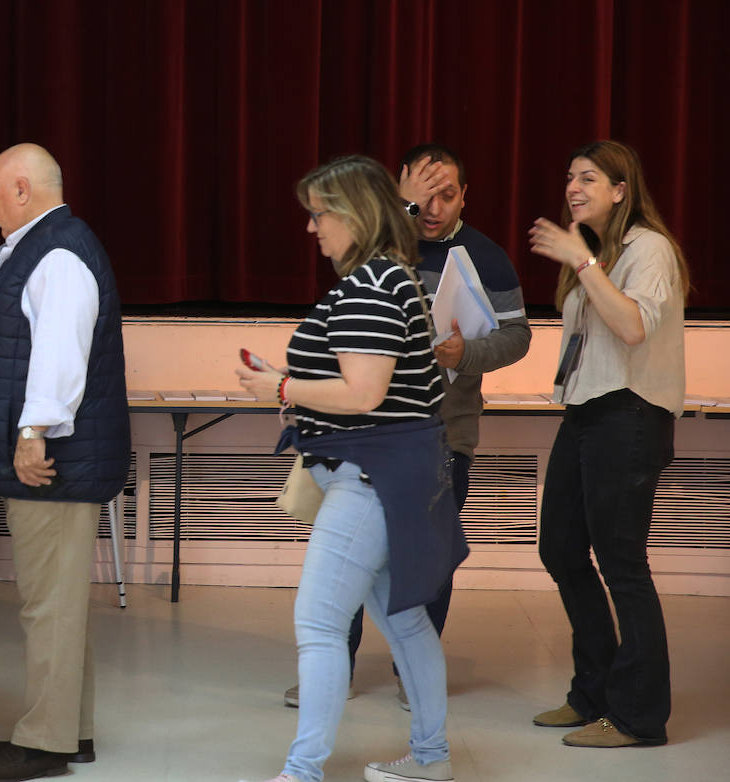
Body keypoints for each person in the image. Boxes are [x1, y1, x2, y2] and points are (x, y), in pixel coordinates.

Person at [237, 155, 466, 782]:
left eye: (319, 214)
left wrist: (282, 387)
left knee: (318, 622)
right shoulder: (392, 276)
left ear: (353, 214)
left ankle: (302, 772)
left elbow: (363, 393)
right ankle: (430, 758)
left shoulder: (369, 284)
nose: (312, 228)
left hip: (371, 476)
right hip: (393, 473)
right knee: (404, 618)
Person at [284, 144, 532, 711]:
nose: (435, 207)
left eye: (448, 195)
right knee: (346, 557)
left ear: (466, 196)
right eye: (423, 194)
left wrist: (466, 351)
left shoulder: (485, 256)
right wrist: (406, 210)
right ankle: (335, 667)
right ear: (398, 190)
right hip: (365, 434)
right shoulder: (383, 247)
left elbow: (516, 337)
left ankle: (409, 675)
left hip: (446, 430)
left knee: (427, 559)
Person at [0, 143, 129, 782]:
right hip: (54, 455)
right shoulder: (48, 246)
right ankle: (66, 729)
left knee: (47, 605)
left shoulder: (56, 252)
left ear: (23, 189)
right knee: (57, 603)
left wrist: (32, 434)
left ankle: (46, 742)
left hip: (53, 461)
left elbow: (58, 356)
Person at [527, 140, 686, 748]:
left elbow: (632, 326)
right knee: (561, 549)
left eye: (589, 178)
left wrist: (583, 263)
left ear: (621, 190)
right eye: (569, 177)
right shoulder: (593, 253)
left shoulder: (650, 248)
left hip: (631, 413)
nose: (573, 188)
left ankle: (639, 716)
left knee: (622, 565)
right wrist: (583, 260)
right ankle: (593, 692)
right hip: (585, 412)